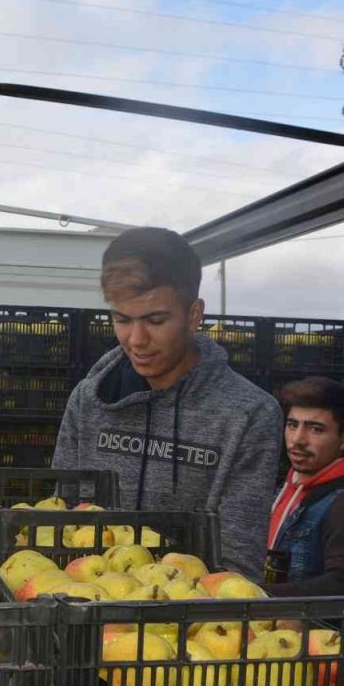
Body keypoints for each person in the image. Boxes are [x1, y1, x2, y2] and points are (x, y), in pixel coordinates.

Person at [53, 227, 283, 576]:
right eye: (121, 319)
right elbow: (59, 521)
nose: (136, 339)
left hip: (189, 607)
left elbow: (237, 558)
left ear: (194, 314)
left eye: (156, 320)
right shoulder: (89, 399)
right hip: (85, 598)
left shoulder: (249, 414)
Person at [264, 376, 344, 596]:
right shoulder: (287, 487)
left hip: (297, 619)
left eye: (315, 429)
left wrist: (258, 595)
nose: (298, 439)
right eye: (292, 425)